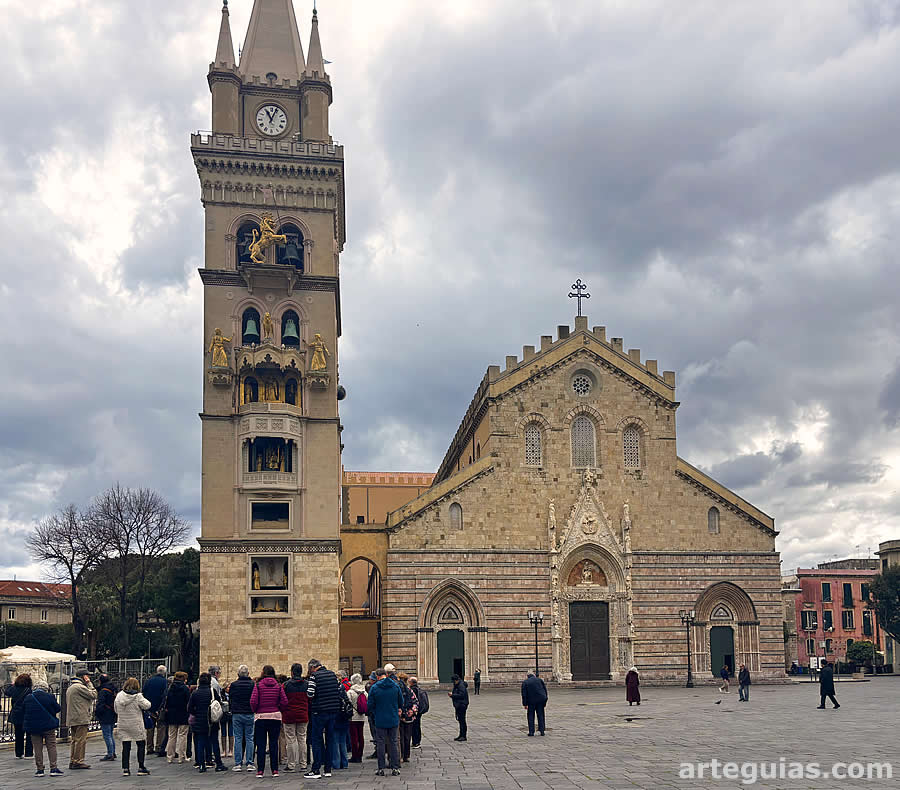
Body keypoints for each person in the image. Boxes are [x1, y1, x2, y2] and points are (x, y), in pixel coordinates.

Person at [305, 658, 342, 779]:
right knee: (330, 739)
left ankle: (316, 769)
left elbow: (310, 694)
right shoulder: (332, 675)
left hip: (319, 712)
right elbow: (338, 690)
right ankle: (328, 769)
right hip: (333, 711)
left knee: (316, 739)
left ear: (312, 668)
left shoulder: (314, 677)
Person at [251, 664, 288, 777]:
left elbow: (253, 701)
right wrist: (278, 709)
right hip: (275, 717)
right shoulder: (278, 686)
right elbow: (285, 702)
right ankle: (275, 770)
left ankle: (260, 770)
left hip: (261, 717)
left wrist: (256, 710)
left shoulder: (258, 685)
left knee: (261, 744)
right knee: (274, 744)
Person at [187, 672, 227, 773]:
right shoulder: (212, 691)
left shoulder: (195, 693)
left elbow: (189, 708)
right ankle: (218, 764)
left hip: (200, 721)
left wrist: (197, 713)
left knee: (200, 742)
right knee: (214, 742)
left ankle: (201, 765)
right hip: (212, 721)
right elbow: (218, 703)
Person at [23, 678, 63, 777]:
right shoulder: (49, 696)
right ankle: (53, 768)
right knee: (51, 746)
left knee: (37, 748)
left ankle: (40, 769)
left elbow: (24, 710)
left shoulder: (29, 697)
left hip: (34, 727)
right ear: (46, 688)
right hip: (48, 725)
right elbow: (58, 708)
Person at [367, 667, 402, 776]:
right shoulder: (395, 686)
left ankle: (381, 768)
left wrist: (375, 712)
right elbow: (401, 701)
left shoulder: (374, 688)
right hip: (393, 718)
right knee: (393, 743)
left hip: (380, 719)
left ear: (377, 676)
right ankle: (395, 767)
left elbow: (370, 705)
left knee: (381, 743)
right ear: (386, 675)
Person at [115, 677, 152, 776]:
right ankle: (141, 767)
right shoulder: (138, 696)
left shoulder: (119, 696)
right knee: (140, 744)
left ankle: (126, 768)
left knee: (126, 746)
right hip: (136, 724)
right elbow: (147, 705)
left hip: (123, 724)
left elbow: (115, 709)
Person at [65, 667, 97, 769]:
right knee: (80, 741)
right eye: (87, 676)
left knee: (74, 740)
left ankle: (73, 760)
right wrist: (90, 684)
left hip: (73, 717)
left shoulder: (71, 687)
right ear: (83, 677)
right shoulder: (79, 687)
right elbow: (93, 694)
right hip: (81, 717)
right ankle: (78, 761)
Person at [228, 665, 256, 772]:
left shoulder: (234, 685)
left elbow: (231, 697)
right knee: (249, 738)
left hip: (237, 713)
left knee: (238, 738)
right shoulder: (252, 684)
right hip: (249, 712)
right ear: (248, 674)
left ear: (238, 674)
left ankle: (238, 763)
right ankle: (250, 763)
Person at [283, 663, 309, 772]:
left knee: (290, 740)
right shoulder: (306, 684)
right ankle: (303, 764)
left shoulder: (286, 685)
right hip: (303, 714)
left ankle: (291, 764)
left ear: (292, 672)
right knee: (302, 739)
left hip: (289, 715)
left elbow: (283, 700)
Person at [163, 671, 191, 763]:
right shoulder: (185, 689)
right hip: (183, 714)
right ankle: (181, 756)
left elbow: (166, 701)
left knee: (172, 736)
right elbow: (188, 702)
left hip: (172, 714)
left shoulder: (171, 688)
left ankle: (170, 756)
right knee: (182, 736)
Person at [5, 673, 34, 759]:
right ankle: (28, 753)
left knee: (18, 734)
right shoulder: (28, 690)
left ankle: (19, 753)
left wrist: (12, 685)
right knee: (29, 735)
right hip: (26, 714)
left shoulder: (14, 689)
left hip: (16, 714)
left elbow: (6, 692)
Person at [141, 665, 168, 756]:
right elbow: (164, 695)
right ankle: (159, 747)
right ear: (164, 672)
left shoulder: (149, 681)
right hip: (159, 708)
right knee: (161, 728)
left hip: (149, 708)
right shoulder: (165, 682)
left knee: (150, 728)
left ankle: (149, 747)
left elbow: (144, 692)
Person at [95, 674, 118, 761]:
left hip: (105, 714)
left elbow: (100, 704)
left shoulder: (103, 691)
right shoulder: (113, 688)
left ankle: (110, 754)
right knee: (110, 734)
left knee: (107, 735)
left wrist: (98, 713)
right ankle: (113, 752)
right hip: (112, 713)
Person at [346, 673, 368, 763]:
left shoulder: (350, 692)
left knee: (354, 737)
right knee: (360, 736)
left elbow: (348, 703)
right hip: (361, 716)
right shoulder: (364, 692)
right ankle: (360, 754)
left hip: (353, 716)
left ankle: (355, 755)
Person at [397, 673, 418, 762]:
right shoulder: (410, 691)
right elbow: (416, 702)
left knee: (400, 737)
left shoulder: (398, 690)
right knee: (407, 737)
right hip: (409, 717)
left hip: (401, 716)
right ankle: (406, 755)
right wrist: (412, 711)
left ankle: (401, 756)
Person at [409, 676, 428, 750]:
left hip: (415, 711)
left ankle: (416, 742)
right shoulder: (419, 689)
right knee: (417, 726)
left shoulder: (413, 690)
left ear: (411, 683)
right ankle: (417, 741)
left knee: (414, 727)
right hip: (419, 711)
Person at [449, 674, 469, 741]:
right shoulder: (459, 685)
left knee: (462, 720)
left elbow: (461, 695)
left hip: (462, 705)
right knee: (460, 720)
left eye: (454, 681)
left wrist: (452, 695)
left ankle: (463, 736)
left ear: (456, 680)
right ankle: (461, 735)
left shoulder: (461, 686)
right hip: (460, 704)